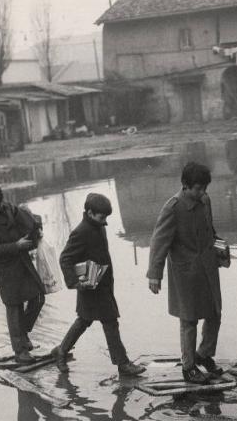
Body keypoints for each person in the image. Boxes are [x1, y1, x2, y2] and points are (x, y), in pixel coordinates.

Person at [52, 193, 145, 376]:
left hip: (101, 284)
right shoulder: (81, 231)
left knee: (86, 320)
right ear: (89, 212)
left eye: (106, 218)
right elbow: (65, 259)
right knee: (108, 322)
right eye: (102, 217)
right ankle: (123, 364)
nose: (105, 221)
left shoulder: (97, 226)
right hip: (89, 286)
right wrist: (75, 282)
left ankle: (61, 350)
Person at [147, 161, 223, 384]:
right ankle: (189, 367)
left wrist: (220, 249)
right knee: (189, 320)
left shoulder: (205, 201)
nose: (202, 193)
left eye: (204, 188)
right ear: (185, 186)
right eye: (198, 189)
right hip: (186, 273)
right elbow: (158, 242)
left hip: (208, 268)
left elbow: (210, 230)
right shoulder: (173, 208)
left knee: (215, 312)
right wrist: (155, 274)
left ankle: (204, 354)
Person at [0, 182, 45, 364]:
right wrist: (16, 245)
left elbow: (28, 221)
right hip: (6, 269)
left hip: (23, 262)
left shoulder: (7, 207)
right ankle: (20, 351)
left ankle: (23, 333)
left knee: (38, 297)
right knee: (14, 308)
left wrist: (36, 227)